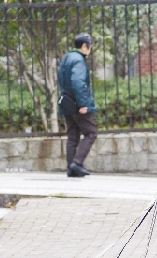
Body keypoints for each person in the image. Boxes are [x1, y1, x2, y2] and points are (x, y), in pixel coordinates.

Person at [57, 33, 98, 178]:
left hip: (67, 102)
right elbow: (78, 82)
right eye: (90, 46)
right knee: (91, 133)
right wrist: (82, 104)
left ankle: (71, 168)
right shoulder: (79, 60)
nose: (90, 49)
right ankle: (77, 163)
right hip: (78, 104)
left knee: (72, 136)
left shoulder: (67, 57)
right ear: (85, 46)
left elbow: (60, 78)